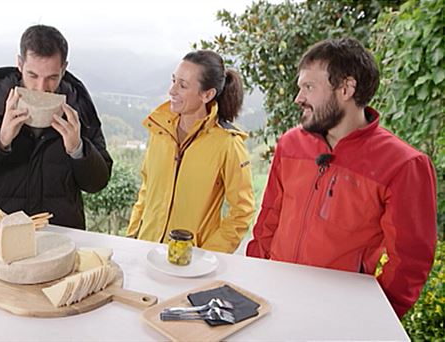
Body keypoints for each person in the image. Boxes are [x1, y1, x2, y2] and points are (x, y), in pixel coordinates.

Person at [246, 38, 437, 317]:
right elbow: (269, 220)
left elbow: (410, 261)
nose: (299, 98)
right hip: (273, 299)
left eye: (309, 87)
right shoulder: (290, 143)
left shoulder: (404, 165)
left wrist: (373, 315)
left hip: (338, 313)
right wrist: (254, 278)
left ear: (346, 89)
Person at [0, 25, 112, 229]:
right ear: (20, 64)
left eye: (52, 78)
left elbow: (98, 183)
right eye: (33, 75)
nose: (41, 88)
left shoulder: (78, 105)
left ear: (63, 69)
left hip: (58, 236)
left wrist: (78, 150)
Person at [126, 50, 255, 253]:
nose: (172, 90)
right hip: (145, 252)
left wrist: (208, 254)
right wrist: (133, 235)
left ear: (207, 94)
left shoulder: (228, 144)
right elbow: (146, 190)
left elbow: (241, 212)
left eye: (183, 85)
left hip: (191, 263)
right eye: (173, 80)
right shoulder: (159, 131)